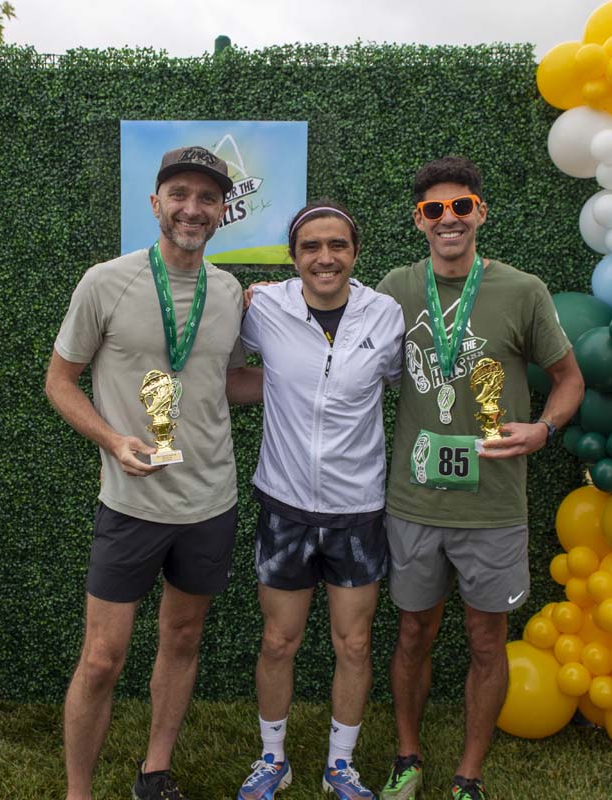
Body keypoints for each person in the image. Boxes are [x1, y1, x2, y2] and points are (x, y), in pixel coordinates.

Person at [45, 145, 262, 800]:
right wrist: (112, 439)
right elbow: (60, 382)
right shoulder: (105, 281)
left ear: (224, 211)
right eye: (180, 195)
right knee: (102, 658)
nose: (192, 208)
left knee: (183, 635)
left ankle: (154, 771)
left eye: (207, 197)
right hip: (131, 504)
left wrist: (316, 377)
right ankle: (78, 793)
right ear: (156, 204)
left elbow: (221, 383)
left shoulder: (228, 292)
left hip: (210, 503)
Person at [375, 157, 584, 800]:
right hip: (412, 502)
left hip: (494, 504)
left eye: (460, 207)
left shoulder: (522, 291)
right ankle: (408, 756)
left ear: (480, 213)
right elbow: (335, 328)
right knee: (414, 631)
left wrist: (543, 429)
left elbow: (570, 379)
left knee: (487, 639)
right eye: (434, 210)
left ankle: (469, 773)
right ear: (419, 221)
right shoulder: (394, 288)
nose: (448, 220)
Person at [236, 200, 405, 800]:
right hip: (284, 504)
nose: (324, 257)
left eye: (336, 245)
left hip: (358, 509)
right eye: (311, 247)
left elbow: (408, 390)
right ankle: (272, 758)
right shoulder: (264, 309)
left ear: (355, 253)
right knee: (278, 641)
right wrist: (278, 390)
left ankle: (341, 765)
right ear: (293, 257)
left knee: (353, 643)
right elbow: (225, 374)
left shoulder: (385, 315)